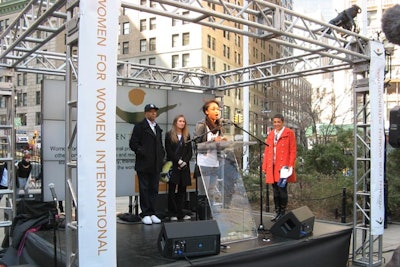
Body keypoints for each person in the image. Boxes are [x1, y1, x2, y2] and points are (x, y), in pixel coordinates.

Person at [129, 104, 165, 225]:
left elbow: (159, 144)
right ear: (146, 113)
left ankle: (152, 212)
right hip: (144, 164)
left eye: (155, 111)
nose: (153, 113)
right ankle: (145, 213)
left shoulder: (157, 127)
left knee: (154, 189)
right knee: (144, 189)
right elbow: (133, 144)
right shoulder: (139, 127)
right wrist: (142, 151)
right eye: (150, 112)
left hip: (155, 164)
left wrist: (162, 154)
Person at [262, 114, 297, 222]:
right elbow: (267, 151)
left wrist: (290, 165)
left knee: (282, 189)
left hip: (283, 166)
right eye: (275, 122)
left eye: (278, 122)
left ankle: (282, 213)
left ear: (283, 122)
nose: (276, 124)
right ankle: (277, 212)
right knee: (275, 191)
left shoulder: (289, 133)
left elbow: (293, 150)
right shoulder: (271, 134)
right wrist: (264, 166)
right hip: (272, 165)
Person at [194, 100, 227, 208]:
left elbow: (219, 147)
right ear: (206, 112)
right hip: (204, 163)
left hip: (215, 163)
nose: (217, 111)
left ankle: (210, 214)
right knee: (203, 193)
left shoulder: (219, 126)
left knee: (211, 192)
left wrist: (223, 143)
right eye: (213, 109)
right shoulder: (201, 125)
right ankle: (203, 217)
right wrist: (214, 141)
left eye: (218, 109)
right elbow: (197, 145)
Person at [165, 115, 193, 221]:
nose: (182, 123)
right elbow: (169, 151)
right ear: (175, 122)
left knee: (182, 190)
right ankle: (172, 212)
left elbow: (190, 151)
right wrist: (178, 161)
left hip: (184, 167)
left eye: (184, 121)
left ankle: (180, 212)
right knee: (172, 189)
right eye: (180, 121)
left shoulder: (187, 136)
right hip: (173, 165)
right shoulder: (169, 135)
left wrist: (184, 162)